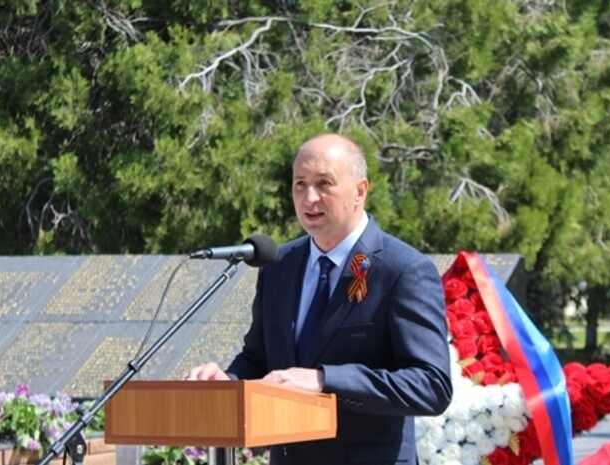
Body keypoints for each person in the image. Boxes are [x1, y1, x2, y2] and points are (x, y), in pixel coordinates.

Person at [186, 133, 453, 465]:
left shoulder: (402, 270)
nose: (309, 197)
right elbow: (259, 360)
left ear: (360, 191)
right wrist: (229, 381)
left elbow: (431, 385)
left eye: (324, 183)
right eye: (300, 184)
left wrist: (325, 380)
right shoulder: (278, 266)